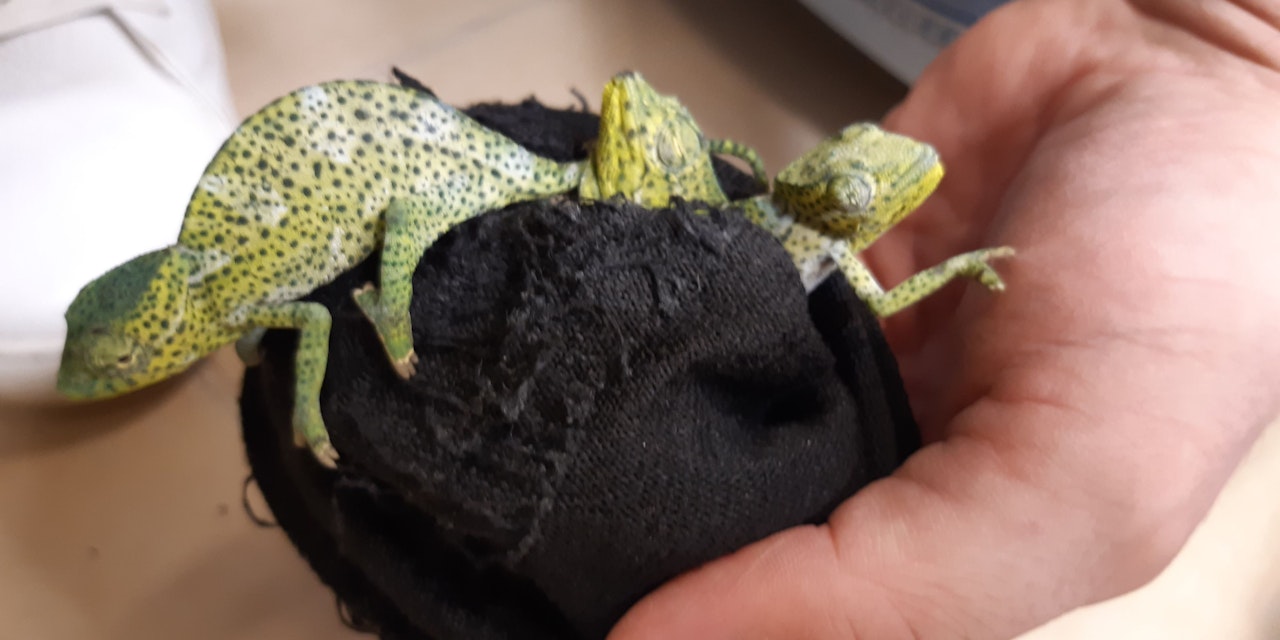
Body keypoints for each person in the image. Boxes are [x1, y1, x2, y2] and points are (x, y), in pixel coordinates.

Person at [609, 0, 1280, 637]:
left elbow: (879, 294)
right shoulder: (819, 243)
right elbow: (884, 300)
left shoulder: (828, 243)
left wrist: (1239, 43)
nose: (919, 164)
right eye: (857, 189)